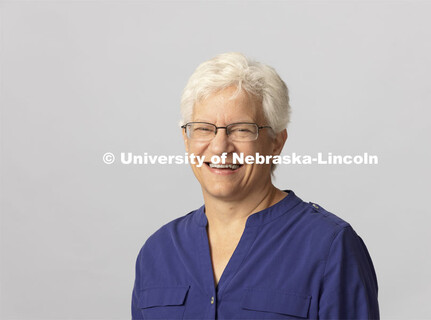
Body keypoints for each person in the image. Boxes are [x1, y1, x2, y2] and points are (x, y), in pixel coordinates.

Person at [131, 52, 380, 319]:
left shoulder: (329, 248)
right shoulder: (158, 252)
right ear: (186, 139)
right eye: (204, 128)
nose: (220, 147)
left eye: (241, 129)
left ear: (276, 142)